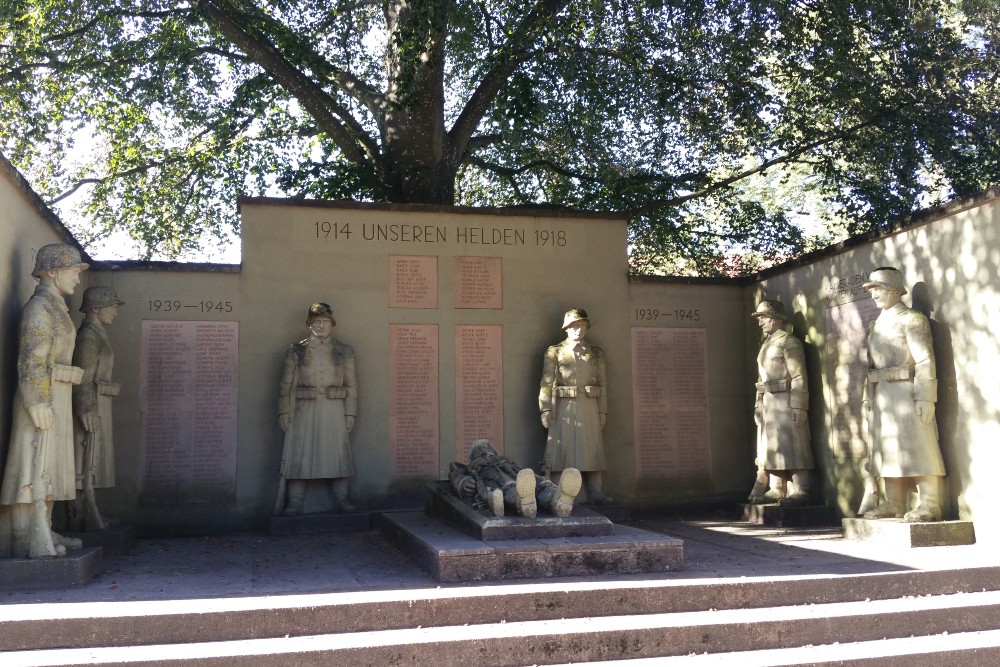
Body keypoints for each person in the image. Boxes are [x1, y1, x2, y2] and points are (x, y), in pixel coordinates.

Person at [0, 244, 88, 558]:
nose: (77, 279)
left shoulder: (56, 307)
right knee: (32, 463)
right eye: (73, 271)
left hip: (58, 392)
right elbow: (31, 358)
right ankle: (25, 533)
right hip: (43, 394)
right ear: (52, 271)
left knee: (50, 465)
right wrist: (37, 400)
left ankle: (43, 526)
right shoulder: (40, 308)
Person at [859, 267, 946, 522]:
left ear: (895, 291)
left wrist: (926, 396)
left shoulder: (912, 319)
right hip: (883, 394)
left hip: (907, 391)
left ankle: (930, 503)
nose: (873, 295)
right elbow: (871, 367)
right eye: (871, 289)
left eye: (877, 288)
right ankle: (894, 501)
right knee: (887, 446)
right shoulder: (875, 325)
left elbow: (925, 360)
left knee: (920, 445)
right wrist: (868, 399)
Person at [275, 303, 358, 515]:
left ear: (332, 324)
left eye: (325, 322)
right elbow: (286, 384)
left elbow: (351, 384)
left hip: (334, 409)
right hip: (303, 409)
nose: (321, 325)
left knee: (337, 453)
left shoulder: (344, 350)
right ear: (309, 324)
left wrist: (350, 412)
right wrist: (284, 411)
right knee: (300, 453)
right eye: (316, 322)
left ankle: (341, 498)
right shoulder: (296, 350)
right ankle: (295, 500)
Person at [539, 308, 612, 504]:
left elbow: (603, 384)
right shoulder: (555, 351)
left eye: (582, 326)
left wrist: (602, 409)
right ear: (567, 328)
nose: (578, 330)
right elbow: (547, 382)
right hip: (564, 406)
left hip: (589, 405)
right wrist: (545, 409)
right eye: (574, 326)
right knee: (561, 449)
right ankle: (557, 490)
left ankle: (595, 490)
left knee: (592, 448)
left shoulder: (595, 353)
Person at [747, 300, 816, 506]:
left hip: (786, 399)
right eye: (759, 318)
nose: (760, 323)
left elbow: (799, 376)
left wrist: (799, 405)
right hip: (769, 401)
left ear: (777, 319)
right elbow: (762, 379)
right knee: (772, 445)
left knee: (794, 443)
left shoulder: (789, 342)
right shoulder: (767, 343)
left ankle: (803, 488)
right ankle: (776, 487)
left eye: (764, 318)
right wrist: (759, 404)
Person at [71, 286, 124, 532]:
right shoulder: (88, 336)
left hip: (100, 401)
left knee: (93, 462)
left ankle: (91, 515)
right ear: (95, 309)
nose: (115, 312)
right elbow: (83, 375)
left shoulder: (98, 333)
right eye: (111, 307)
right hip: (92, 404)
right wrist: (86, 408)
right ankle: (85, 517)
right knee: (86, 462)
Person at [449, 439, 581, 518]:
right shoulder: (472, 466)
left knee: (538, 484)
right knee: (510, 488)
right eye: (479, 449)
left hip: (519, 477)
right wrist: (464, 482)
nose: (484, 450)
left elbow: (523, 473)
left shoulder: (506, 459)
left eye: (486, 447)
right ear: (473, 456)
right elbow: (455, 473)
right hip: (494, 479)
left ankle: (557, 499)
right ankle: (524, 503)